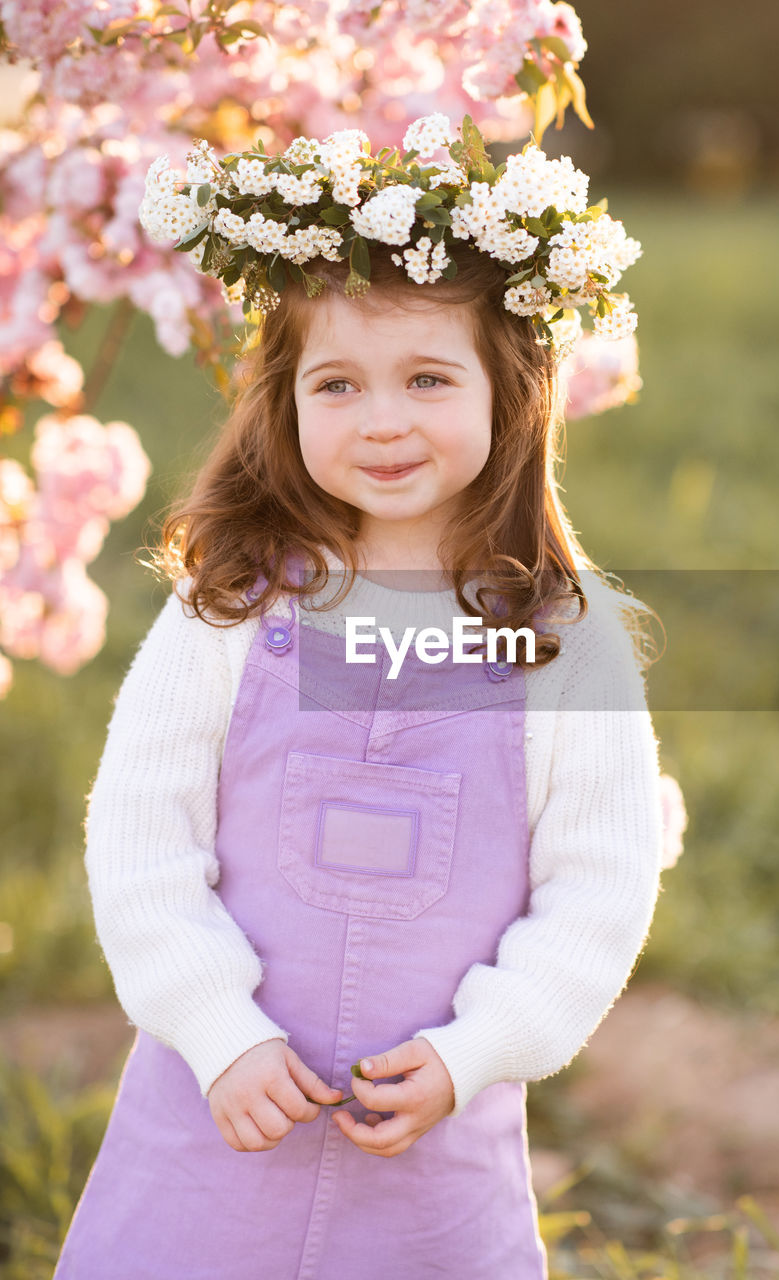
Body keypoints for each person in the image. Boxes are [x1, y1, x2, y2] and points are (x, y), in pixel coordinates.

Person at [54, 116, 666, 1279]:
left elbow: (598, 884)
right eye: (338, 383)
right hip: (214, 1120)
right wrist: (216, 1029)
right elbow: (141, 836)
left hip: (431, 1151)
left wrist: (476, 1047)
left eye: (428, 378)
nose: (382, 418)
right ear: (283, 401)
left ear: (514, 390)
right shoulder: (226, 611)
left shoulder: (565, 645)